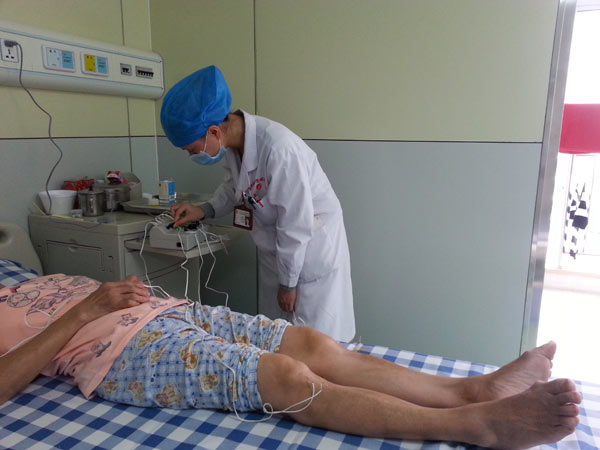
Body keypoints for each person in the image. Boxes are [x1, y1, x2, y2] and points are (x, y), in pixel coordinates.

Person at [0, 272, 582, 449]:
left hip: (165, 312)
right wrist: (85, 311)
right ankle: (475, 425)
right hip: (119, 351)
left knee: (311, 344)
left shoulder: (24, 275)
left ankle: (472, 390)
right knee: (282, 377)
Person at [160, 65, 355, 342]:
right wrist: (203, 210)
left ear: (214, 132)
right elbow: (234, 188)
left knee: (316, 343)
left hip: (309, 249)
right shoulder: (234, 146)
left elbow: (294, 223)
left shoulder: (279, 149)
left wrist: (288, 284)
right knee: (277, 337)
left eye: (192, 149)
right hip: (279, 250)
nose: (192, 155)